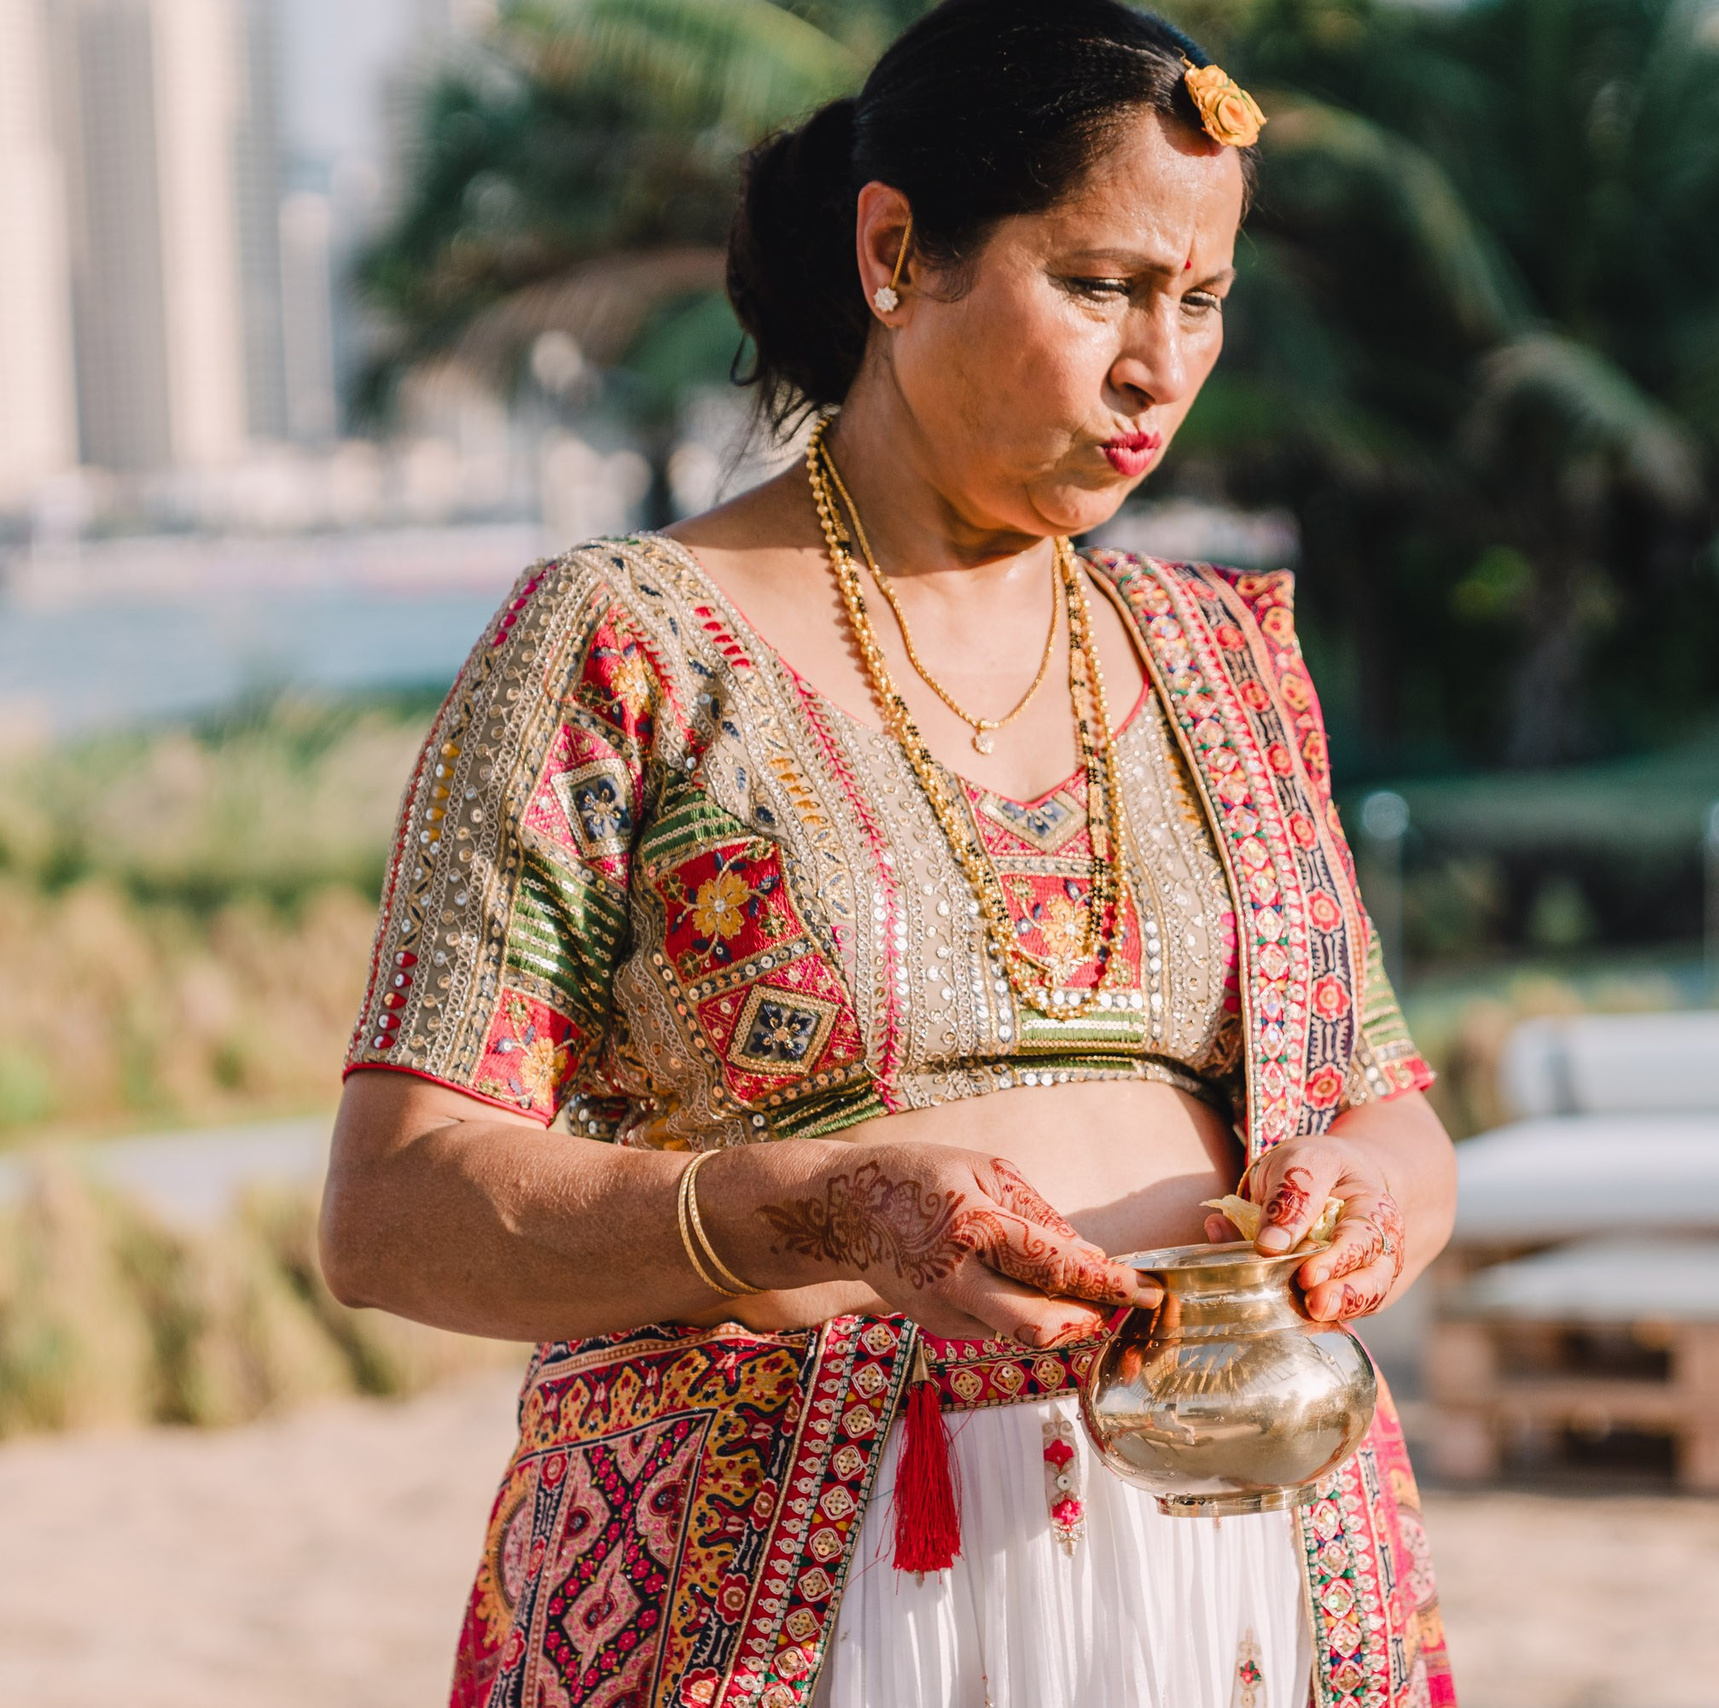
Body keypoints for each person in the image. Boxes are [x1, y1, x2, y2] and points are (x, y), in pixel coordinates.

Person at [317, 2, 1459, 1704]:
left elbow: (1388, 1105)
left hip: (1241, 1566)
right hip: (785, 1582)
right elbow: (393, 1210)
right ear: (894, 249)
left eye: (1201, 298)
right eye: (1099, 286)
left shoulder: (1220, 653)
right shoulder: (625, 646)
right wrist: (825, 1215)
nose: (1161, 365)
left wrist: (1365, 1203)